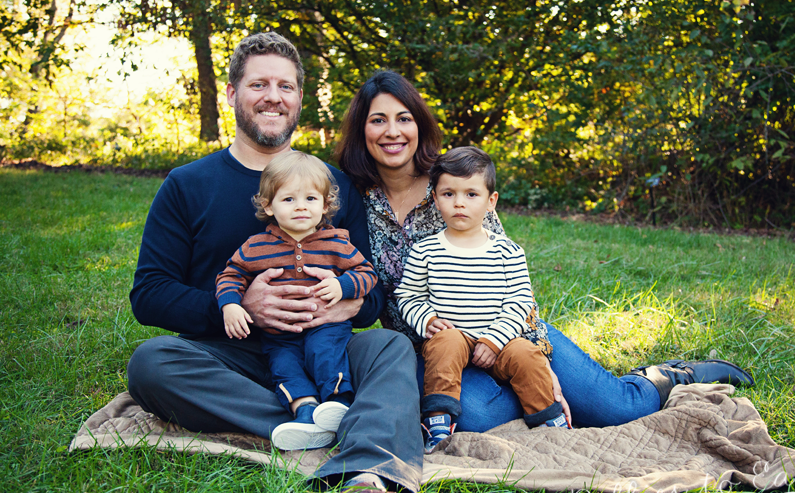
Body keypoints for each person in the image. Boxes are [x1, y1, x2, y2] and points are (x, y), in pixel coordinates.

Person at [126, 33, 443, 493]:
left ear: (299, 98)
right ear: (232, 93)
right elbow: (150, 294)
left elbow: (370, 295)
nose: (273, 96)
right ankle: (316, 423)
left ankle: (367, 478)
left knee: (391, 347)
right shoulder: (187, 184)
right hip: (234, 354)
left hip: (327, 346)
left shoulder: (332, 185)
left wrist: (344, 301)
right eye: (259, 84)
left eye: (286, 86)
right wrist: (234, 305)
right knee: (151, 364)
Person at [335, 69, 755, 432]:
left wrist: (539, 366)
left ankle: (668, 377)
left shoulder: (453, 183)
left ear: (419, 125)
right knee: (477, 418)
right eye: (378, 120)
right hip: (434, 353)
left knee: (618, 409)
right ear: (362, 130)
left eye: (403, 118)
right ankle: (532, 404)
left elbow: (510, 281)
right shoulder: (352, 201)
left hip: (508, 332)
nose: (392, 131)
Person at [394, 147, 568, 452]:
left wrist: (494, 340)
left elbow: (519, 302)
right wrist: (428, 320)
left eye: (471, 194)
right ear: (434, 199)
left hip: (499, 342)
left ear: (491, 202)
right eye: (448, 194)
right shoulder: (426, 250)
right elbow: (407, 295)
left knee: (528, 355)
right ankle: (437, 421)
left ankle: (549, 423)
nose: (459, 203)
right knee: (444, 343)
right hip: (453, 338)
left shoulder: (508, 251)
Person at [215, 151, 378, 451]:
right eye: (289, 199)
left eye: (311, 199)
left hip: (325, 327)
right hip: (280, 336)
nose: (301, 207)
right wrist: (231, 304)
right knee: (283, 367)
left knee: (324, 353)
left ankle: (337, 402)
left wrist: (343, 286)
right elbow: (231, 275)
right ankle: (304, 413)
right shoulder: (256, 246)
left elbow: (367, 273)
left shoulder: (337, 243)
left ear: (326, 205)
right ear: (268, 204)